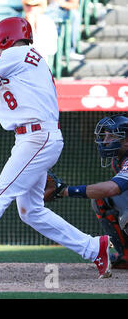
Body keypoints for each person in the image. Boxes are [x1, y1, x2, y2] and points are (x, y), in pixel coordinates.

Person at [0, 17, 112, 281]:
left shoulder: (18, 53)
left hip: (37, 138)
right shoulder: (22, 67)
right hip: (33, 138)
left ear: (7, 38)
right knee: (31, 211)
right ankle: (94, 247)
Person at [60, 115, 128, 269]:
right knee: (101, 199)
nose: (105, 141)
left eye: (112, 136)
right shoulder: (118, 159)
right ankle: (126, 256)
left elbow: (112, 188)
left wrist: (65, 191)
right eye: (105, 135)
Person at [22, 0, 58, 66]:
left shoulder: (48, 23)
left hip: (40, 62)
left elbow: (51, 49)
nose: (31, 8)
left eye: (35, 5)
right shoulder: (18, 22)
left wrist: (31, 26)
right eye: (28, 5)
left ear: (40, 7)